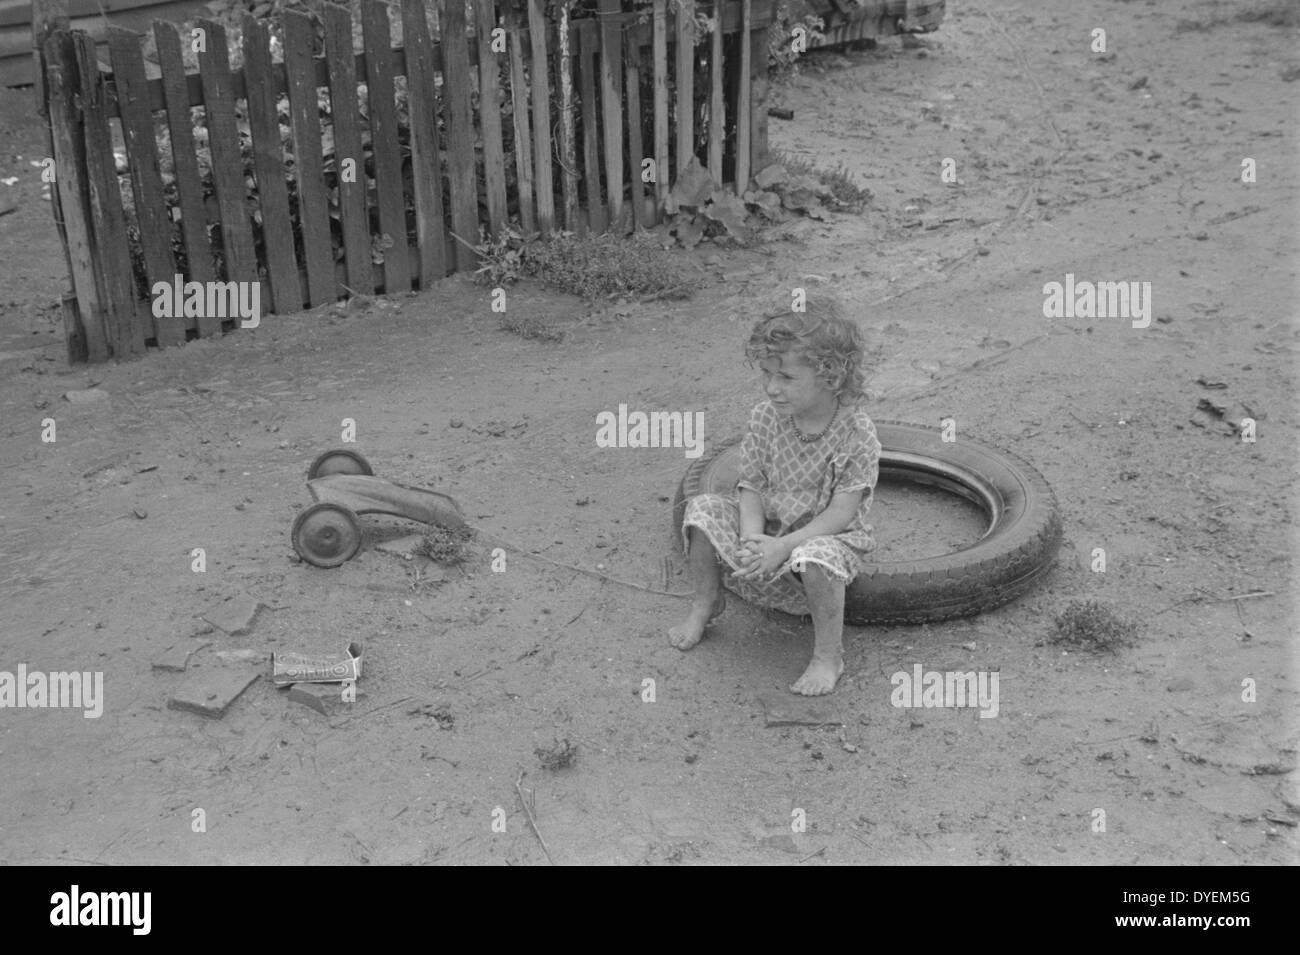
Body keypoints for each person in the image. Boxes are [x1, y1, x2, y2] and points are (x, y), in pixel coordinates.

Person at [669, 294, 881, 695]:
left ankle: (827, 655)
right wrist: (753, 539)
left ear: (831, 377)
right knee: (701, 508)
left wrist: (783, 546)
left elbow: (841, 513)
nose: (771, 388)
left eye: (785, 378)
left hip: (822, 539)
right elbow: (750, 484)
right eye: (766, 375)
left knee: (817, 555)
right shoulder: (765, 417)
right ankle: (706, 603)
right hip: (767, 531)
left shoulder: (857, 433)